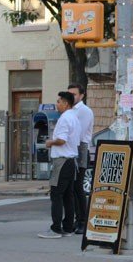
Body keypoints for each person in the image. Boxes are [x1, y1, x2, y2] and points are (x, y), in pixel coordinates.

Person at [38, 91, 81, 239]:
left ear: (66, 104)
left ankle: (56, 229)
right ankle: (68, 227)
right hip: (71, 161)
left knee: (56, 195)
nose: (57, 104)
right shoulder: (74, 118)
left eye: (59, 101)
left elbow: (61, 140)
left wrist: (50, 142)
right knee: (68, 196)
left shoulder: (64, 119)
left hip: (62, 161)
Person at [69, 83, 95, 235]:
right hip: (71, 148)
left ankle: (82, 221)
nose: (71, 96)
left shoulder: (84, 111)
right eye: (69, 93)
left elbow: (78, 133)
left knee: (78, 186)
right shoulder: (71, 110)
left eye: (74, 94)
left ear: (81, 95)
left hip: (80, 147)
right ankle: (76, 219)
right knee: (71, 186)